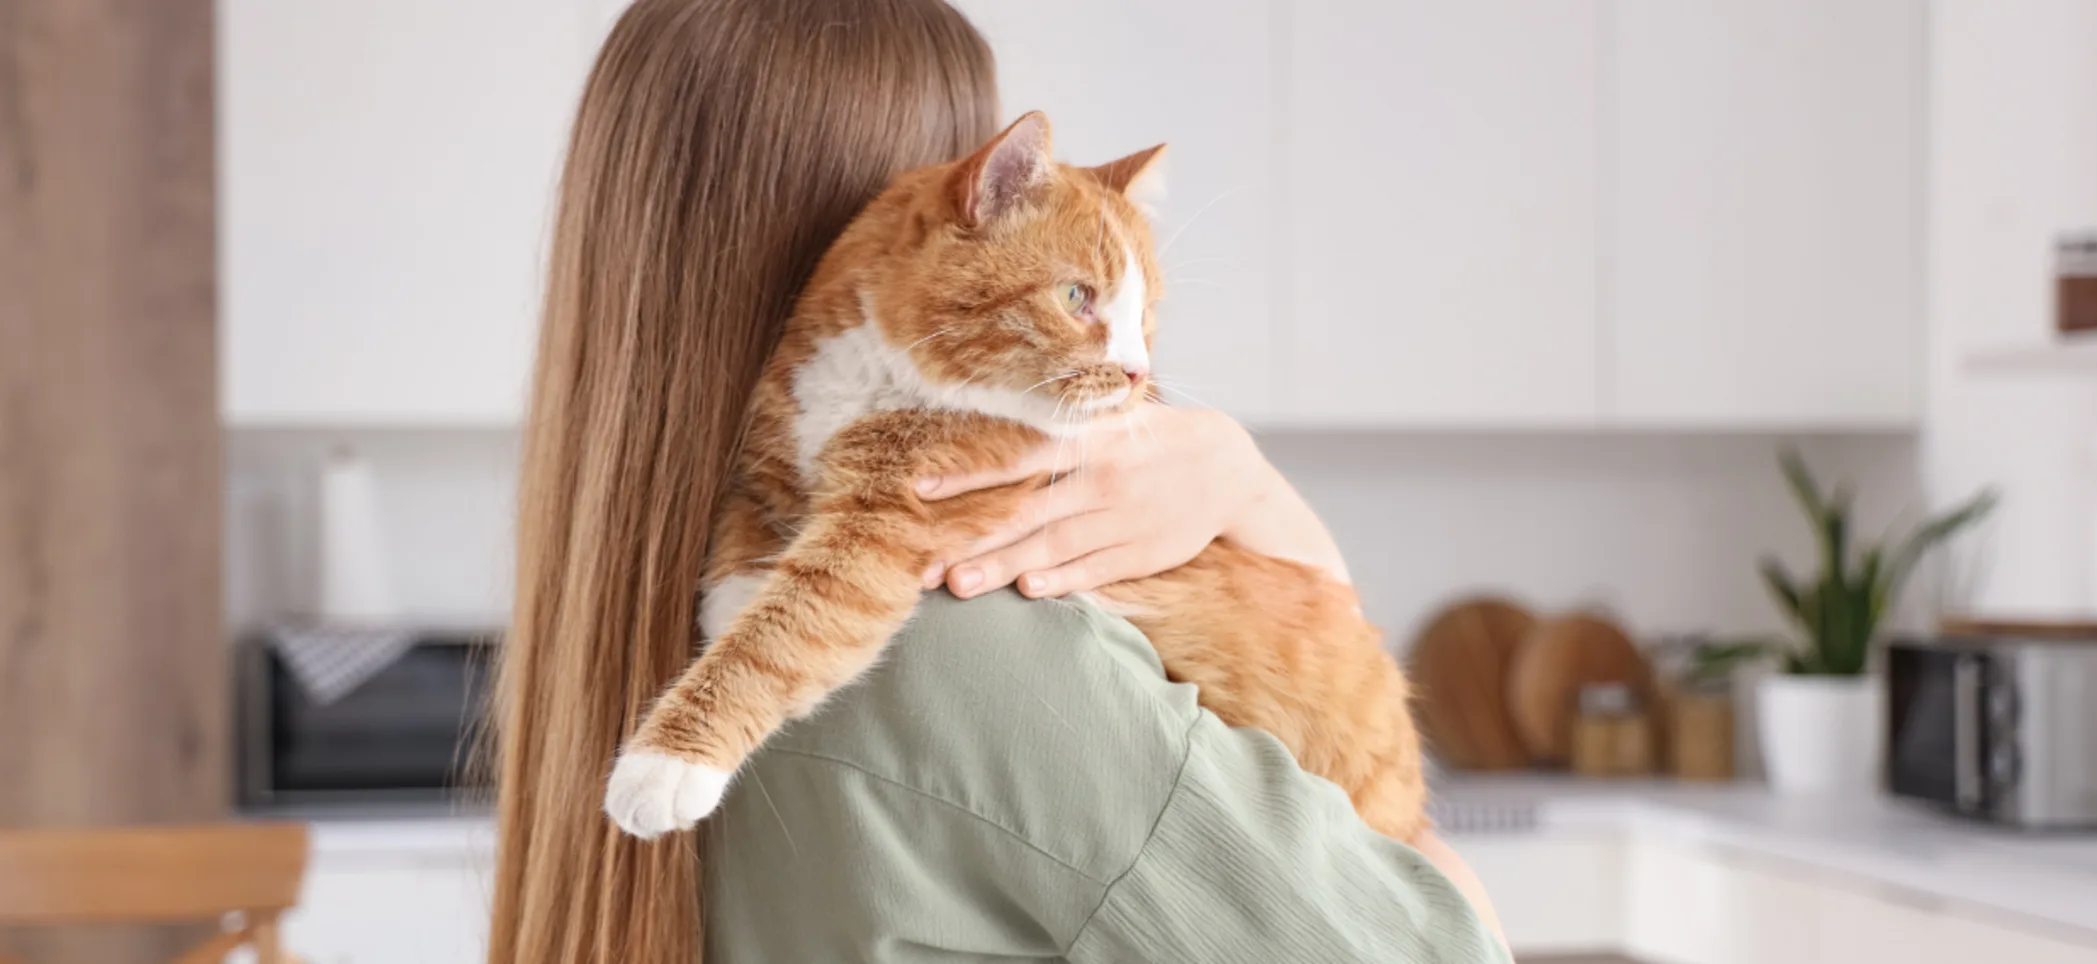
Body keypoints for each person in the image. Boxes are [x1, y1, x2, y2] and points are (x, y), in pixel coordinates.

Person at [488, 0, 1508, 961]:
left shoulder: (633, 619)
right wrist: (1276, 519)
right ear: (945, 200)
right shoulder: (985, 647)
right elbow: (1437, 939)